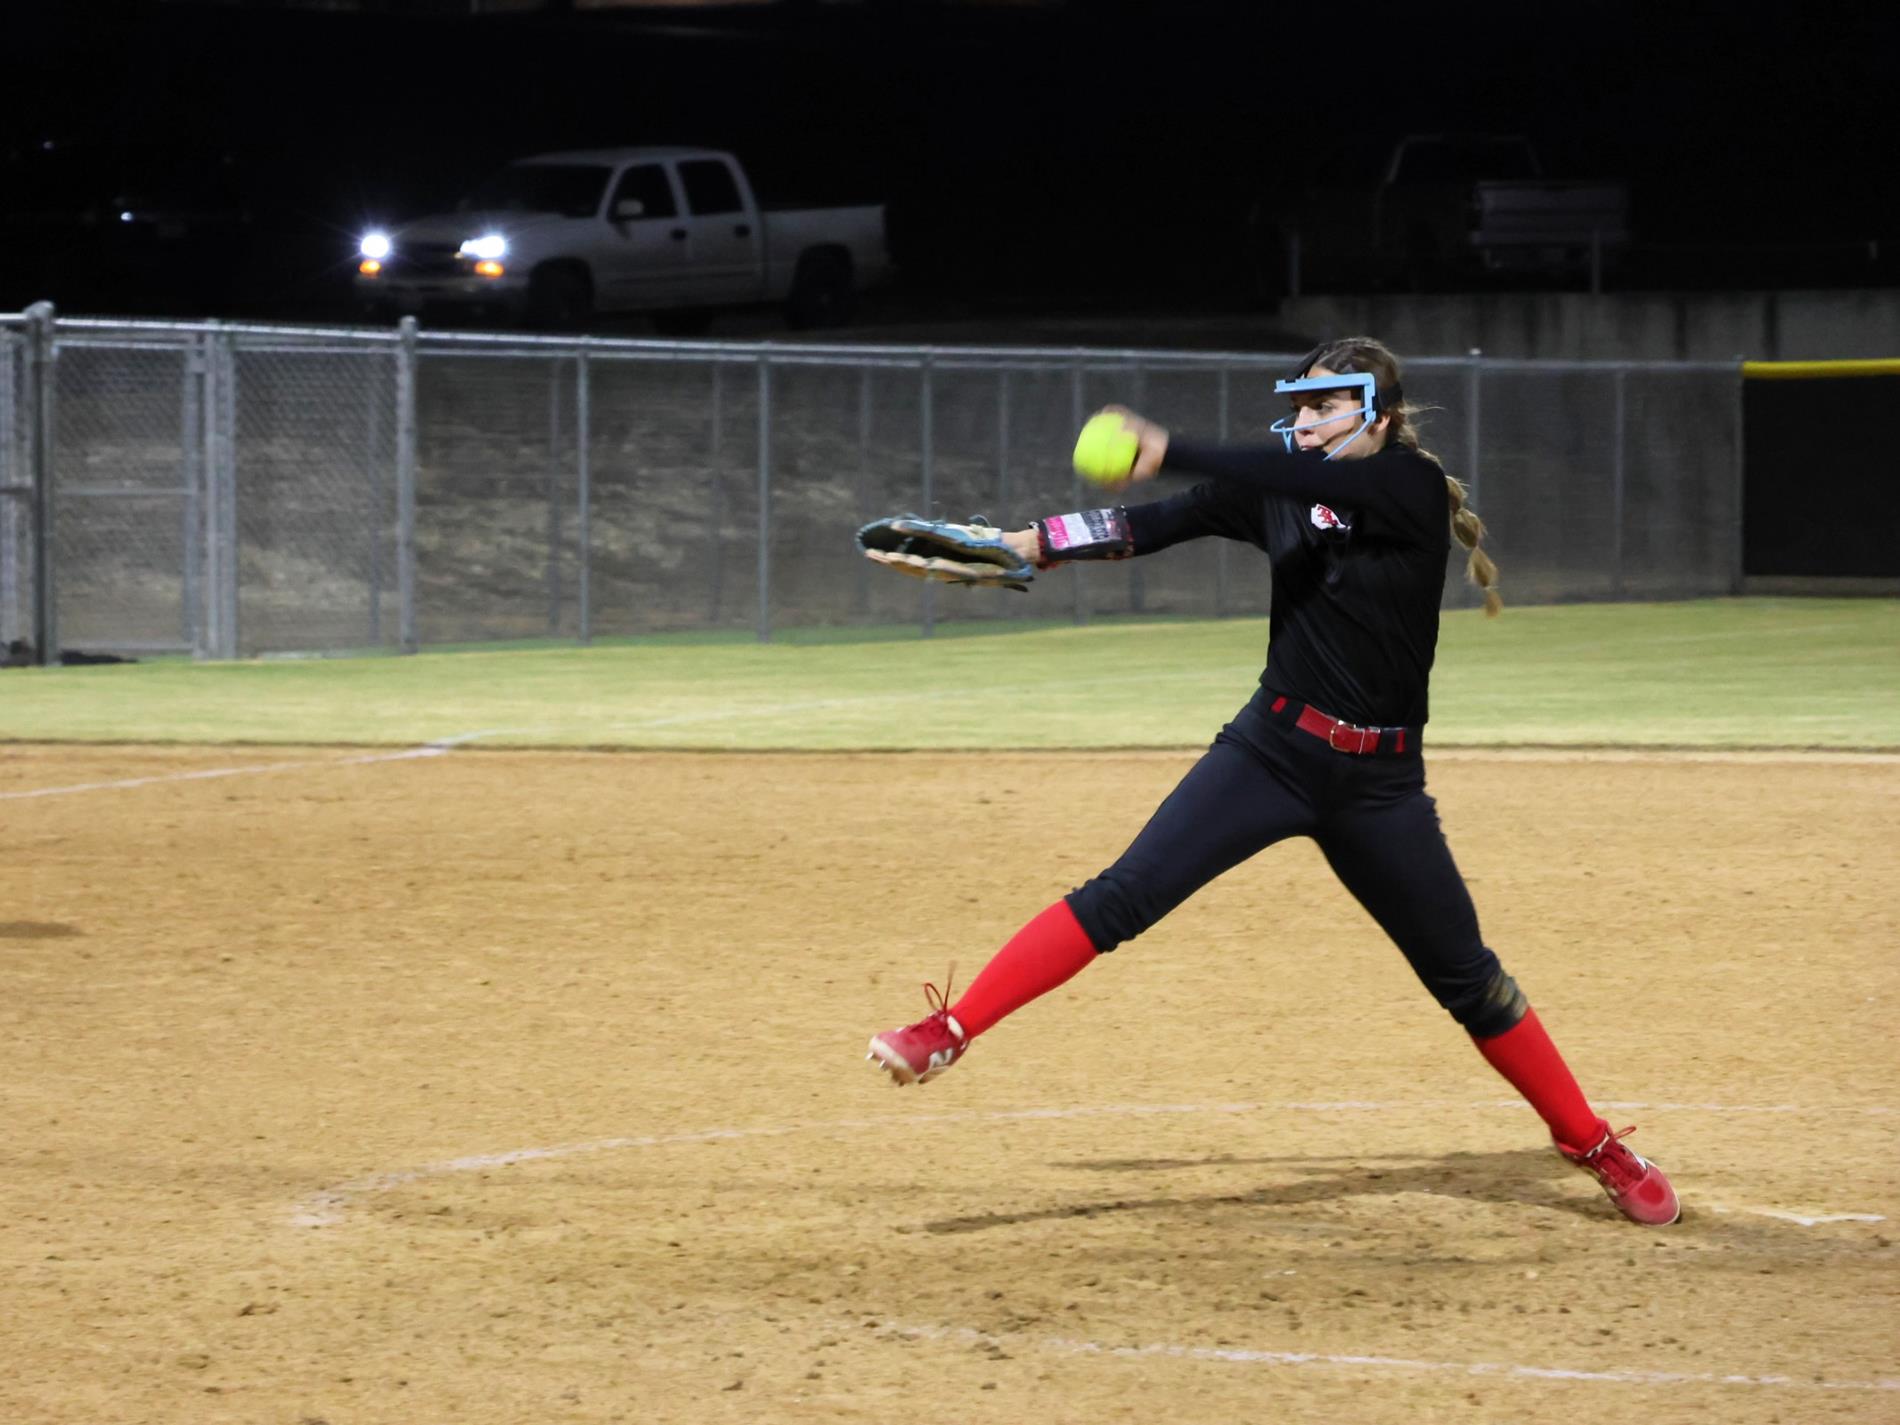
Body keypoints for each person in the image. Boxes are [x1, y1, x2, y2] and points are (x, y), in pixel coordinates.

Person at [865, 336, 1679, 1227]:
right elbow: (1145, 526)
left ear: (1380, 414)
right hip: (1270, 754)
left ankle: (1592, 1142)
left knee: (1468, 978)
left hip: (1380, 789)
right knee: (1123, 894)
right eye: (1297, 407)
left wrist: (1169, 444)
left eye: (1324, 405)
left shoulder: (1401, 486)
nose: (1304, 422)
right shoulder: (1281, 487)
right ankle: (952, 1030)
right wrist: (1029, 544)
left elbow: (1307, 485)